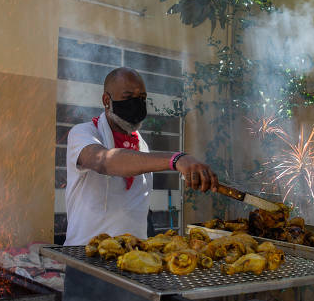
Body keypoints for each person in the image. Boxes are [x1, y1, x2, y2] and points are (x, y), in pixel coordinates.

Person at [64, 66, 218, 245]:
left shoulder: (141, 145)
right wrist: (176, 159)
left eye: (142, 98)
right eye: (128, 97)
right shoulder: (84, 133)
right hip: (84, 257)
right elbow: (104, 161)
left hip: (132, 260)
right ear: (107, 100)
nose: (136, 104)